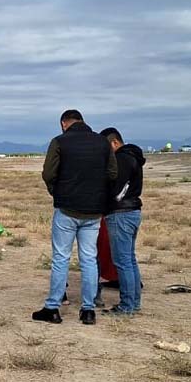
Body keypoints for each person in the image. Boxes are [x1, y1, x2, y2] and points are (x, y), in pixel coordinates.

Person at [34, 110, 119, 326]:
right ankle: (88, 310)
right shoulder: (102, 143)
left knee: (61, 258)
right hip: (94, 211)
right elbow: (112, 173)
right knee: (89, 259)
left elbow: (48, 174)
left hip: (67, 209)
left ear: (64, 124)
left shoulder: (59, 142)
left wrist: (57, 191)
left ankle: (53, 308)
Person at [94, 127, 145, 315]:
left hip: (120, 213)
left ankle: (126, 306)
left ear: (114, 143)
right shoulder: (134, 158)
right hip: (132, 211)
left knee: (123, 261)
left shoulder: (122, 159)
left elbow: (116, 189)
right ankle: (134, 303)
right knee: (129, 260)